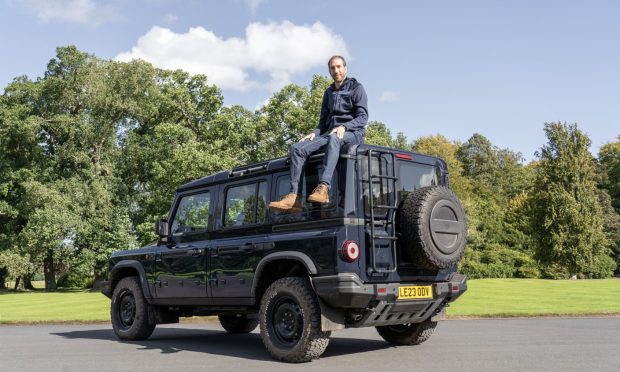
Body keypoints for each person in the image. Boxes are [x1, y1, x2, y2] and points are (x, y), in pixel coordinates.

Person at [269, 55, 368, 212]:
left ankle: (323, 188)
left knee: (335, 139)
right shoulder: (328, 92)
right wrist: (314, 133)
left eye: (339, 67)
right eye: (332, 68)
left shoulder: (357, 88)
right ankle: (295, 198)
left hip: (353, 133)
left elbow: (363, 118)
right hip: (330, 133)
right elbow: (323, 122)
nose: (336, 70)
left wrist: (346, 126)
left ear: (345, 68)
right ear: (329, 71)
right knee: (297, 148)